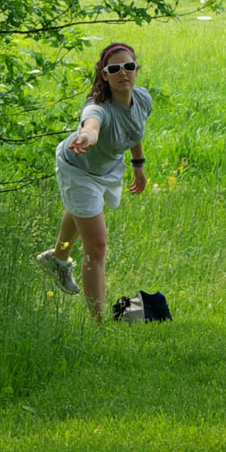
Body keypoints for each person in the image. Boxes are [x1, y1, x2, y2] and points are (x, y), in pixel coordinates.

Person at [36, 41, 152, 320]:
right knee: (97, 245)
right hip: (78, 168)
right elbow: (92, 125)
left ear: (137, 69)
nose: (123, 73)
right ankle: (99, 321)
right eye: (115, 69)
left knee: (79, 212)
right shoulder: (98, 107)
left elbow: (135, 132)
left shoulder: (143, 98)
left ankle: (57, 258)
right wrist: (86, 137)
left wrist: (138, 165)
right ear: (104, 74)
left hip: (108, 168)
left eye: (129, 66)